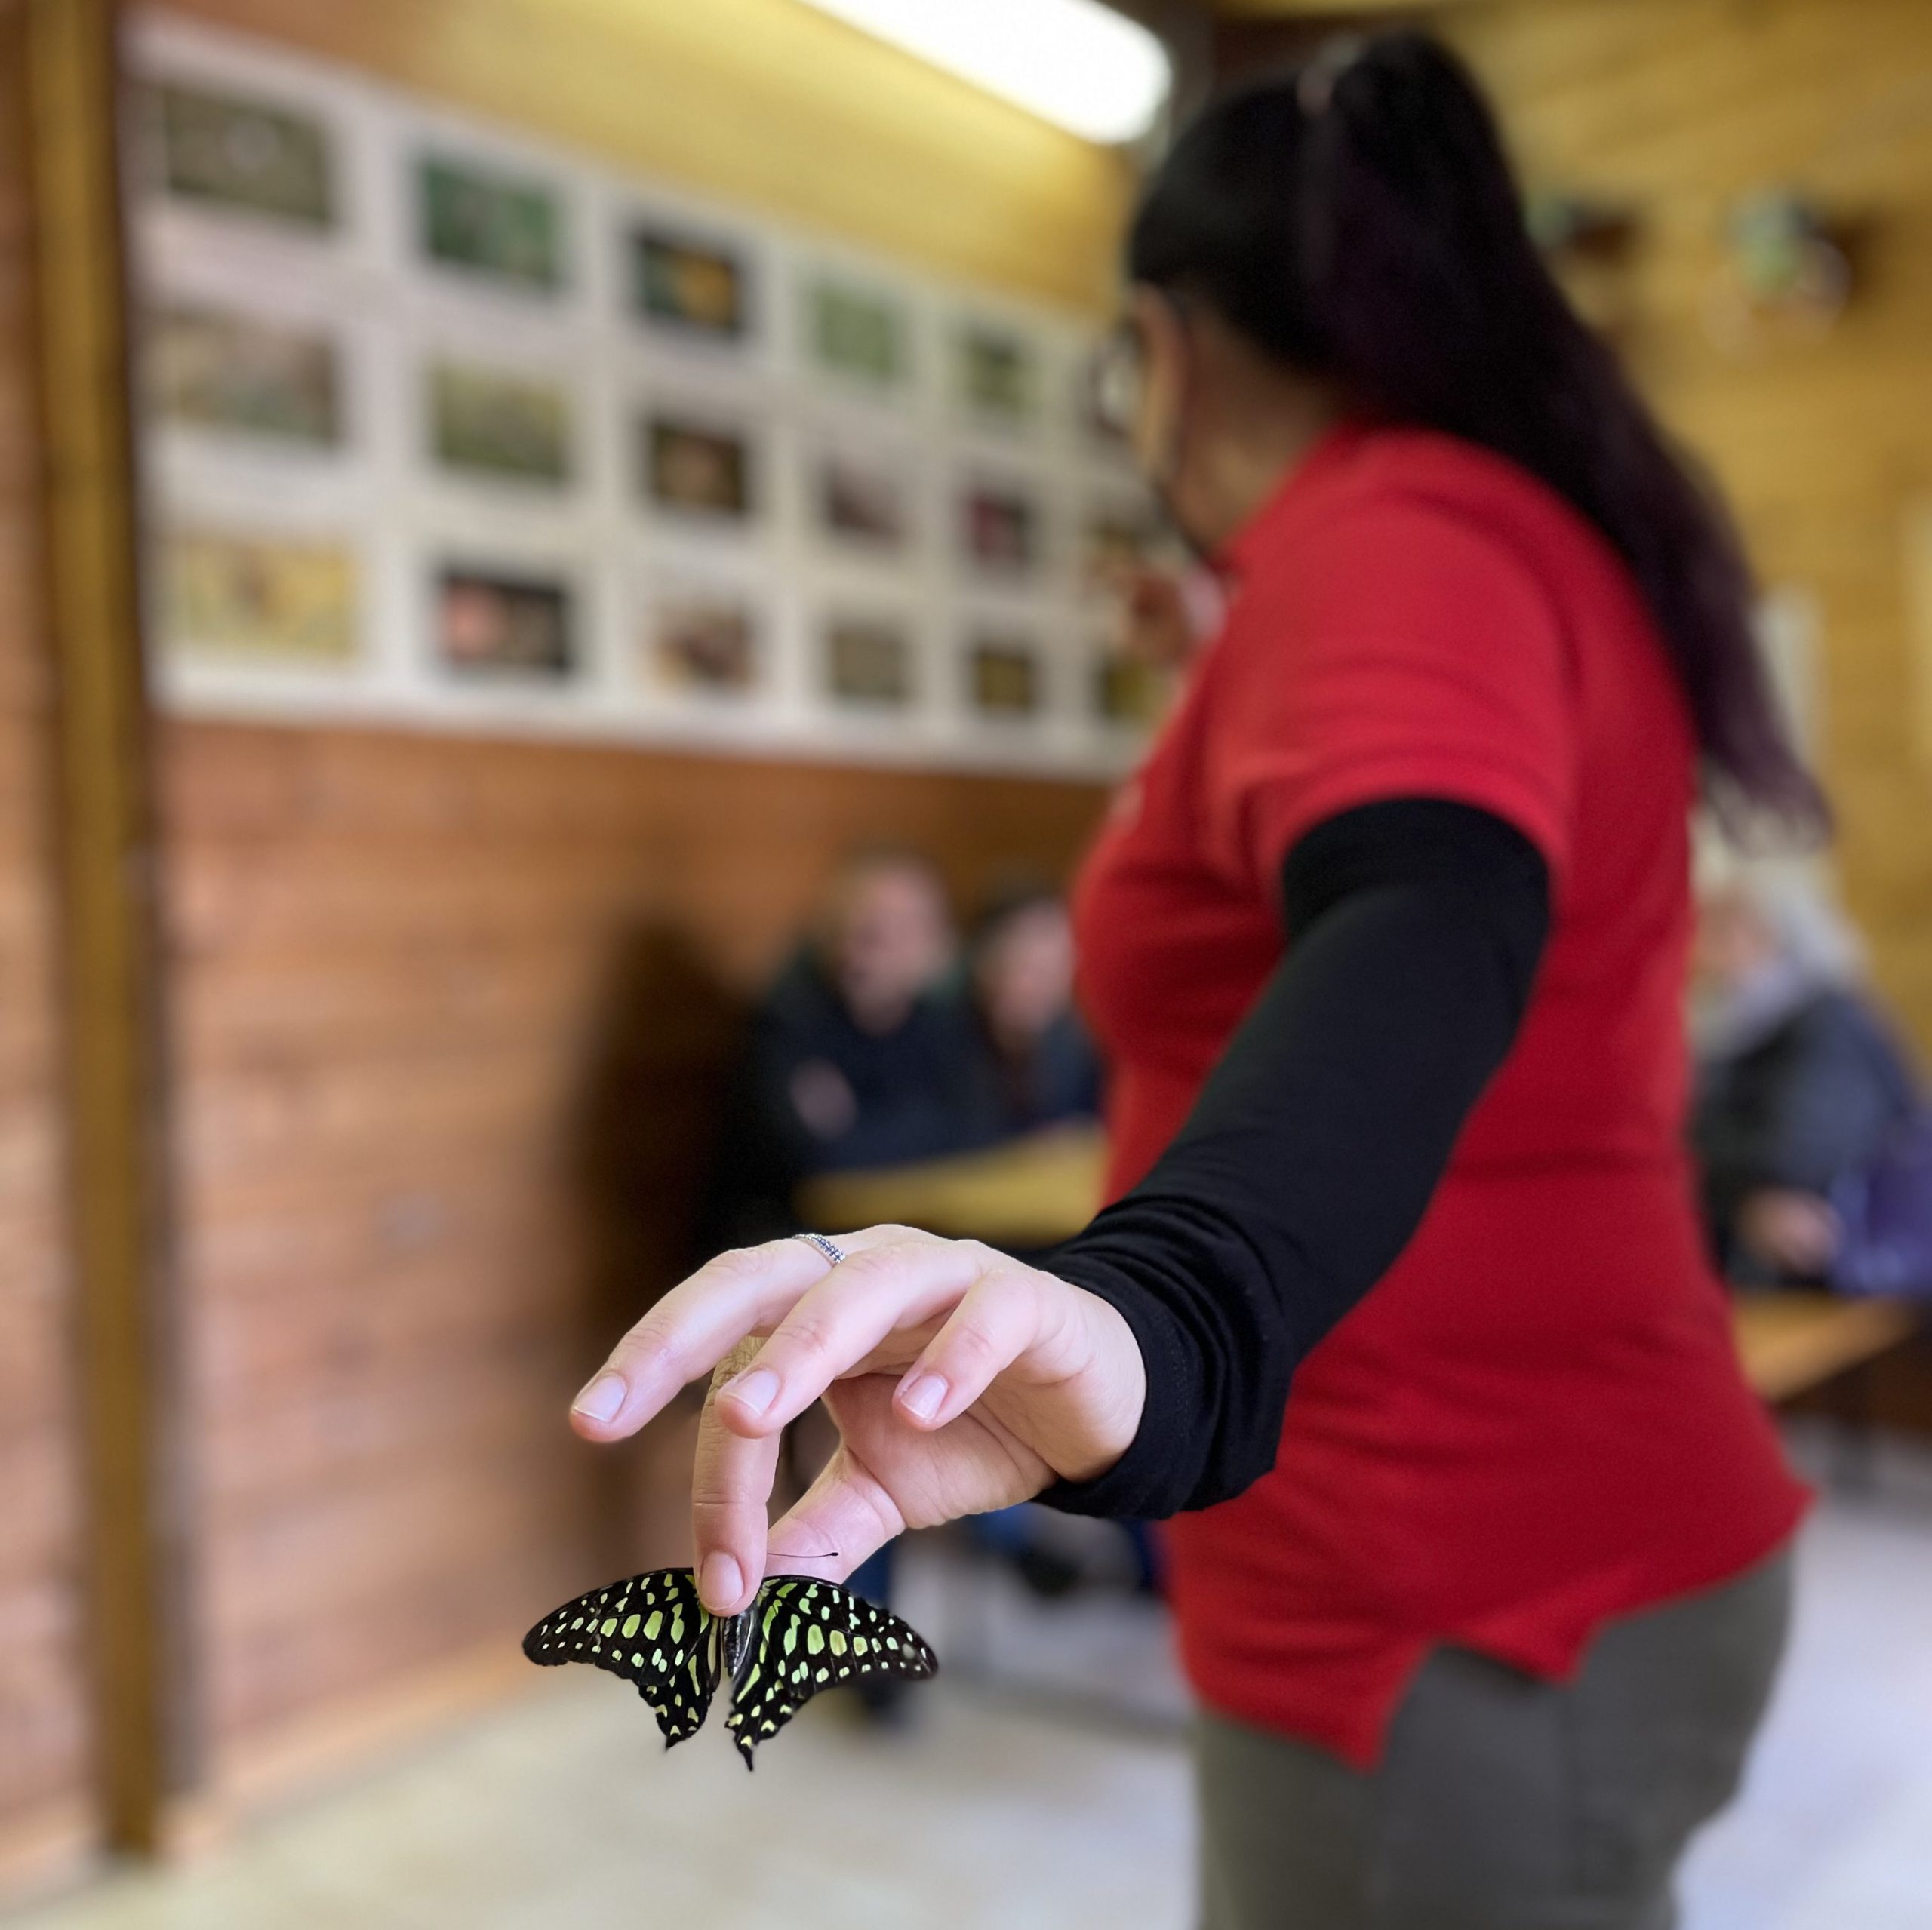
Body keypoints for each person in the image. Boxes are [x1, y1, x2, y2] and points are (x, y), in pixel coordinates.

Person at [573, 34, 1826, 1928]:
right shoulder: (1453, 542)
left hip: (1462, 1582)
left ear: (1161, 350)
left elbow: (1423, 909)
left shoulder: (1397, 539)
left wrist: (1172, 1310)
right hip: (1496, 1537)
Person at [700, 844, 974, 1251]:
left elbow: (973, 1128)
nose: (875, 941)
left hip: (902, 1240)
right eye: (865, 923)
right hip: (784, 1248)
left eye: (902, 926)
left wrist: (874, 1130)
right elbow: (821, 1160)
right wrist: (919, 1132)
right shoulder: (789, 1019)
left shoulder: (942, 1020)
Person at [1692, 871, 1919, 1283]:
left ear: (1762, 936)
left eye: (1716, 931)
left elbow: (1793, 1150)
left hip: (1847, 1259)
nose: (1696, 951)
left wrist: (1709, 1164)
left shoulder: (1825, 1018)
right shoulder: (1736, 1032)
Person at [958, 881, 1102, 1145]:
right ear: (985, 963)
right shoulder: (949, 1038)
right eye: (1030, 968)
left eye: (1057, 967)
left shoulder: (1077, 1039)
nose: (1047, 986)